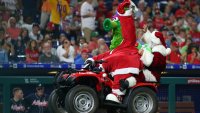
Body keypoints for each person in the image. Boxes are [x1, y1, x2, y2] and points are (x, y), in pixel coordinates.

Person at [86, 0, 141, 103]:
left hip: (128, 65)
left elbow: (129, 32)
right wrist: (92, 59)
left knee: (117, 61)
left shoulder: (131, 44)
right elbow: (107, 54)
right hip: (115, 62)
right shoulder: (116, 49)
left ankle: (117, 95)